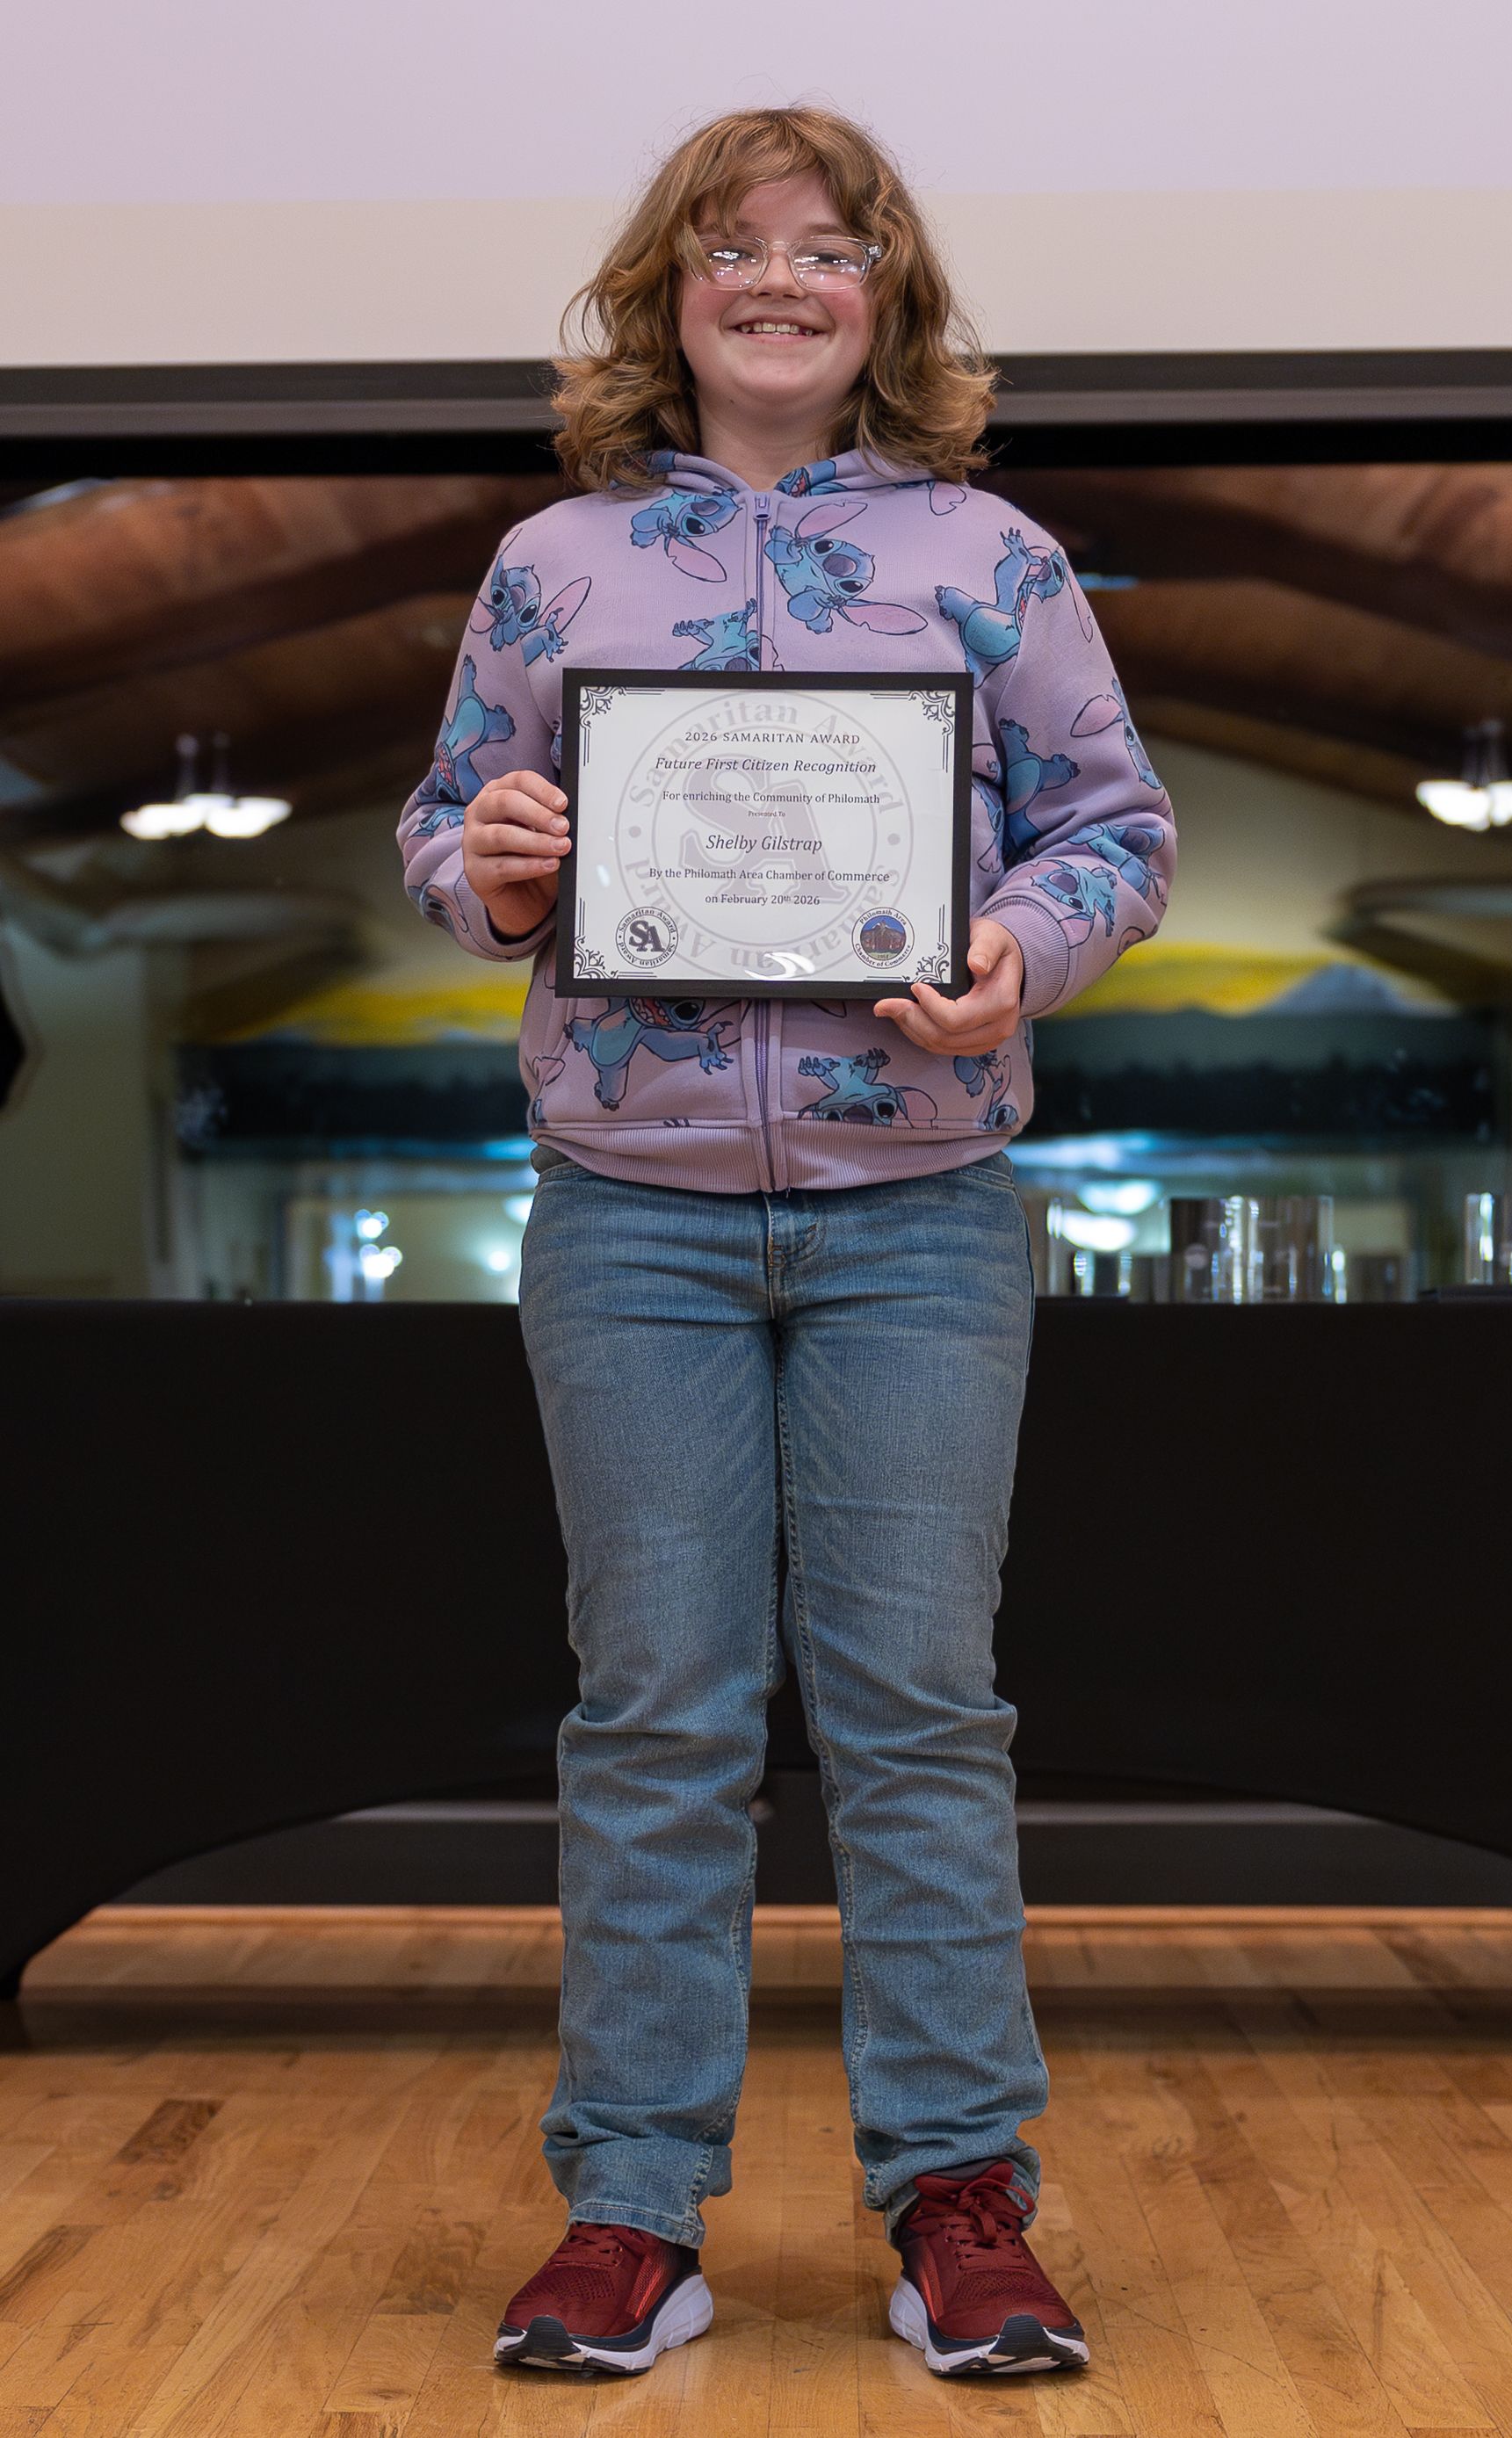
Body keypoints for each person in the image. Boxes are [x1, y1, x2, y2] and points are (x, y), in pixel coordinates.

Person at [397, 104, 1176, 2381]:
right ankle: (632, 2212)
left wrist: (1019, 954)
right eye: (731, 245)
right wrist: (494, 865)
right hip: (622, 1220)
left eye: (827, 248)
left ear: (883, 302)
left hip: (915, 1218)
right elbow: (446, 832)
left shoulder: (992, 555)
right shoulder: (551, 565)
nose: (777, 277)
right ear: (668, 292)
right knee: (655, 1713)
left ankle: (960, 2200)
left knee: (920, 1712)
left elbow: (1116, 833)